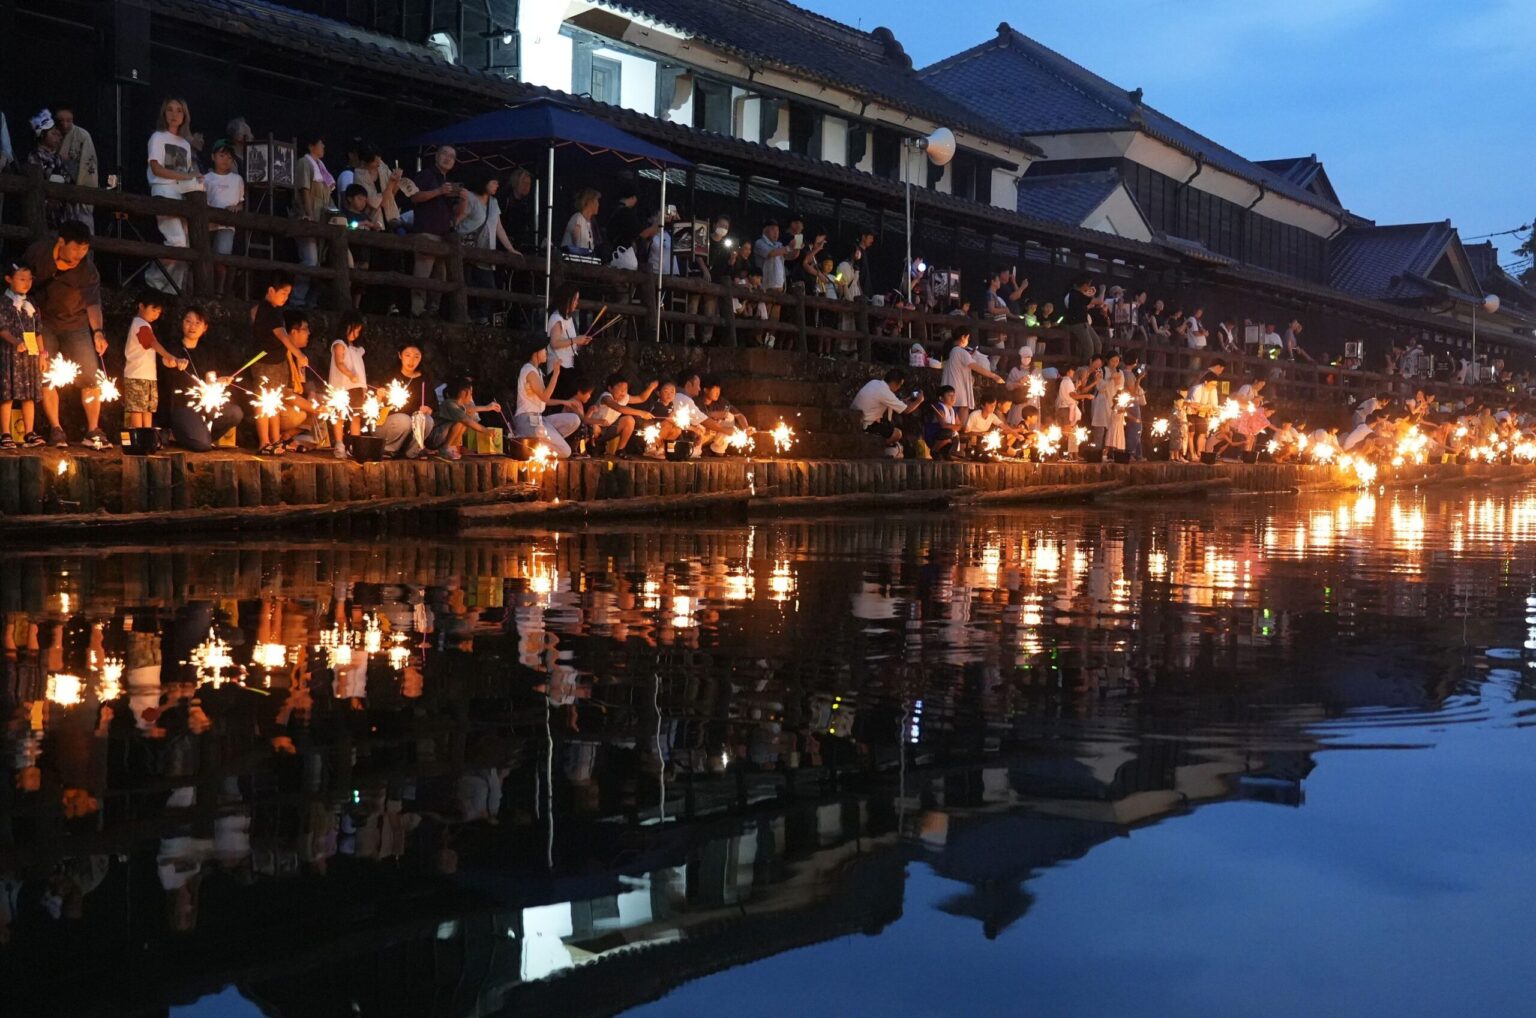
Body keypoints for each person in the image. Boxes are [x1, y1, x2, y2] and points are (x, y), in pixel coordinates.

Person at [23, 221, 109, 449]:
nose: (80, 254)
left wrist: (98, 332)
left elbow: (93, 304)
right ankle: (56, 429)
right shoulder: (38, 254)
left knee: (91, 376)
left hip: (77, 325)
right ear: (61, 242)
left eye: (85, 249)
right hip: (44, 324)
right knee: (47, 374)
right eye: (75, 248)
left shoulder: (88, 270)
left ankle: (93, 430)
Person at [159, 306, 243, 451]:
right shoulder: (173, 348)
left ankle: (201, 434)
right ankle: (179, 434)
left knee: (235, 413)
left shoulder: (206, 351)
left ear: (205, 328)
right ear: (182, 324)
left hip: (204, 404)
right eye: (188, 321)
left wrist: (219, 382)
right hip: (182, 406)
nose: (192, 326)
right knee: (202, 445)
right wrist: (174, 361)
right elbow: (165, 361)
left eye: (198, 323)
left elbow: (210, 380)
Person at [249, 274, 309, 454]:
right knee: (263, 400)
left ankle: (275, 440)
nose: (286, 297)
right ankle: (264, 442)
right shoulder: (267, 310)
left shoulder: (272, 309)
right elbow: (283, 335)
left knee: (274, 401)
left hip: (278, 362)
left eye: (288, 294)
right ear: (271, 291)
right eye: (283, 293)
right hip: (264, 364)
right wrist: (298, 353)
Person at [146, 97, 200, 295]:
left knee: (185, 244)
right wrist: (186, 176)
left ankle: (172, 289)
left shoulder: (185, 144)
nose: (174, 114)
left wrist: (193, 178)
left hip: (182, 193)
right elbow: (156, 168)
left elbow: (187, 173)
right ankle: (153, 279)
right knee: (176, 242)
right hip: (163, 190)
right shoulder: (158, 138)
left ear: (184, 115)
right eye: (170, 110)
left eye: (179, 110)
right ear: (164, 113)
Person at [455, 173, 516, 324]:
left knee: (488, 287)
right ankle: (465, 316)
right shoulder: (470, 197)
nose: (497, 185)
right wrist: (461, 207)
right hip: (466, 250)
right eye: (494, 182)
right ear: (485, 182)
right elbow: (456, 221)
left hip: (487, 251)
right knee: (465, 284)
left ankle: (481, 316)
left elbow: (498, 228)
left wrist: (511, 249)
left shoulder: (494, 203)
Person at [408, 145, 461, 317]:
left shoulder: (448, 183)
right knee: (422, 273)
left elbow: (454, 215)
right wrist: (439, 191)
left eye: (452, 156)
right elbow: (414, 197)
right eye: (445, 154)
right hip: (427, 230)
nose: (448, 158)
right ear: (437, 156)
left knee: (440, 276)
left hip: (443, 234)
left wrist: (463, 201)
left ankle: (433, 310)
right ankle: (417, 310)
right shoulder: (426, 175)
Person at [122, 291, 186, 431]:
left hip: (147, 376)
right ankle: (139, 438)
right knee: (138, 409)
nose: (155, 314)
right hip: (136, 375)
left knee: (147, 409)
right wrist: (171, 357)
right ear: (141, 306)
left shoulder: (144, 325)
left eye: (158, 312)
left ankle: (147, 438)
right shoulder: (140, 324)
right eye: (153, 310)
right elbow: (152, 343)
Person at [0, 261, 45, 449]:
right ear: (9, 279)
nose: (27, 283)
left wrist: (43, 353)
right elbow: (2, 329)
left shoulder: (31, 304)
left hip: (30, 355)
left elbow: (38, 331)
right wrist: (16, 342)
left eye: (29, 279)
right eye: (21, 279)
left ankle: (29, 432)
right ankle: (5, 434)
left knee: (29, 395)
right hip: (10, 354)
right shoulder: (4, 303)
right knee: (7, 394)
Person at [511, 345, 582, 459]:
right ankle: (536, 447)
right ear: (536, 353)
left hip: (540, 420)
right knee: (566, 452)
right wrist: (555, 374)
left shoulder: (537, 371)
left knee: (574, 420)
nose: (547, 353)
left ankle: (542, 443)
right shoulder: (529, 371)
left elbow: (544, 400)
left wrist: (565, 402)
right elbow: (544, 397)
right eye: (544, 350)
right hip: (527, 421)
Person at [290, 134, 333, 308]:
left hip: (322, 218)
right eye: (321, 143)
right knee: (310, 259)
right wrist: (308, 213)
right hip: (309, 217)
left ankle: (311, 301)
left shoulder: (321, 167)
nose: (323, 147)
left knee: (319, 262)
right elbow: (304, 189)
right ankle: (297, 299)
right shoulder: (304, 163)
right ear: (311, 146)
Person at [26, 112, 88, 231]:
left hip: (61, 209)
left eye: (59, 135)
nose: (57, 138)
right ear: (42, 135)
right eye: (53, 134)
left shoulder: (58, 158)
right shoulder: (35, 156)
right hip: (43, 209)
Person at [202, 140, 244, 297]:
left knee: (222, 255)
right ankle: (206, 288)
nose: (225, 160)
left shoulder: (237, 179)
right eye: (222, 155)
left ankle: (220, 290)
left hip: (227, 226)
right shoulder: (206, 178)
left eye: (229, 157)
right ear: (213, 157)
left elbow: (241, 202)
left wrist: (236, 208)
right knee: (206, 256)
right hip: (207, 224)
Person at [376, 345, 434, 459]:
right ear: (400, 355)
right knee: (403, 420)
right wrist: (378, 396)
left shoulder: (424, 379)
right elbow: (373, 409)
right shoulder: (389, 376)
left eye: (416, 356)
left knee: (426, 419)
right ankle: (388, 449)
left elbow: (433, 407)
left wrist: (428, 410)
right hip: (387, 426)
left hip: (412, 429)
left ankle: (413, 451)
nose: (411, 360)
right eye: (407, 355)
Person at [853, 369, 924, 458]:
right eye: (900, 385)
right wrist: (919, 401)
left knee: (887, 426)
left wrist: (904, 401)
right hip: (866, 425)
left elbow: (895, 402)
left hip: (856, 421)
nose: (899, 388)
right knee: (897, 434)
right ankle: (873, 447)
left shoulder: (874, 382)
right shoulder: (885, 392)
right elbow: (906, 410)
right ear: (896, 383)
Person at [327, 311, 367, 460]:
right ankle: (339, 444)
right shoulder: (339, 344)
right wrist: (350, 374)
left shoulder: (357, 349)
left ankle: (355, 445)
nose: (355, 334)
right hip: (342, 387)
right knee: (340, 416)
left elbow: (361, 370)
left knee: (356, 416)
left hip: (356, 388)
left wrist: (363, 387)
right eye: (353, 330)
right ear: (345, 327)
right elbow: (339, 363)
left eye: (358, 331)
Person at [431, 377, 502, 460]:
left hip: (440, 436)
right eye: (471, 393)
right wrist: (486, 431)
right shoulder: (450, 404)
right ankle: (445, 448)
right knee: (462, 421)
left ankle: (449, 447)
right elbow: (466, 420)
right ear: (464, 393)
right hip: (435, 437)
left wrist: (488, 407)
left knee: (466, 417)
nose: (471, 396)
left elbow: (469, 409)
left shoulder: (456, 405)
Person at [587, 373, 657, 456]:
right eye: (620, 388)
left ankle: (620, 450)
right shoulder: (606, 397)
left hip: (609, 428)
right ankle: (592, 446)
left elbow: (641, 398)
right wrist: (641, 413)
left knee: (629, 420)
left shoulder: (625, 397)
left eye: (625, 389)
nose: (623, 392)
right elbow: (619, 408)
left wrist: (650, 388)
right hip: (594, 428)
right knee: (595, 428)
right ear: (610, 388)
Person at [940, 331, 1002, 423]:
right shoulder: (960, 351)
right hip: (959, 394)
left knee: (953, 422)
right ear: (963, 337)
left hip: (950, 391)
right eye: (968, 338)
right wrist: (994, 376)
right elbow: (976, 367)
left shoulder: (952, 351)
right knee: (959, 424)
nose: (968, 341)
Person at [54, 107, 99, 231]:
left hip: (79, 190)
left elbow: (89, 166)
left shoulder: (82, 136)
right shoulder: (53, 134)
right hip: (58, 194)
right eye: (61, 120)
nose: (65, 124)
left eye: (69, 120)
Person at [546, 283, 592, 400]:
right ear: (567, 300)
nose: (577, 302)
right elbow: (554, 343)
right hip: (559, 366)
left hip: (569, 365)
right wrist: (576, 340)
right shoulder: (556, 317)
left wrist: (579, 342)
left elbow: (569, 342)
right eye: (575, 299)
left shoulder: (568, 317)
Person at [753, 221, 789, 328]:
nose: (776, 233)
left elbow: (791, 256)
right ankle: (757, 338)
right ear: (765, 230)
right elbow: (770, 253)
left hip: (780, 285)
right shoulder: (759, 243)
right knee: (764, 313)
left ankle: (769, 340)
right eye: (773, 229)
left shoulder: (779, 245)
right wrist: (788, 248)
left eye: (777, 230)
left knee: (775, 314)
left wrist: (796, 249)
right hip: (766, 285)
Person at [1062, 276, 1099, 361]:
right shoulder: (1075, 294)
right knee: (1089, 348)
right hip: (1077, 323)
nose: (1088, 287)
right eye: (1088, 285)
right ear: (1083, 285)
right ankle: (1086, 369)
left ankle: (1096, 365)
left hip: (1083, 322)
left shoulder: (1078, 295)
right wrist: (1103, 290)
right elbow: (1099, 300)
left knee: (1097, 344)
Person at [924, 385, 962, 459]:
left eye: (954, 395)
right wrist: (955, 427)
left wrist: (954, 427)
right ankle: (934, 450)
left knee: (957, 435)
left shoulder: (953, 410)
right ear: (941, 398)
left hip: (948, 435)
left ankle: (946, 454)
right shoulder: (939, 408)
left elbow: (960, 425)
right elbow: (944, 425)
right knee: (948, 432)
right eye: (949, 395)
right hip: (934, 436)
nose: (953, 397)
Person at [560, 187, 599, 255]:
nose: (598, 204)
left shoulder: (590, 223)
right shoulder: (577, 218)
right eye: (597, 201)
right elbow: (578, 246)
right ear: (590, 202)